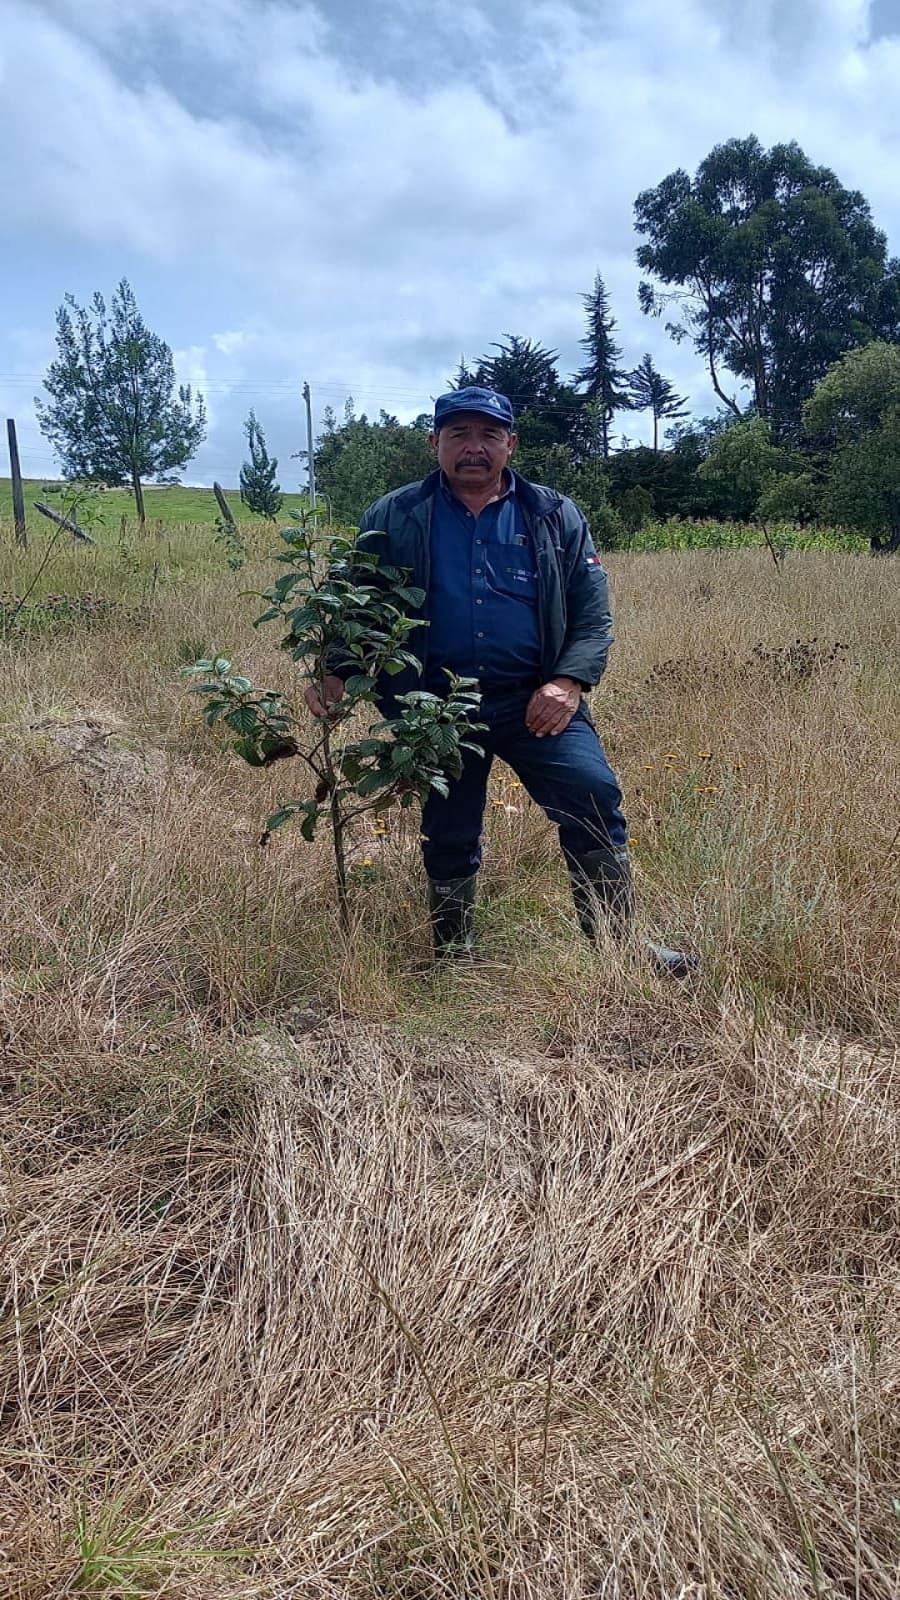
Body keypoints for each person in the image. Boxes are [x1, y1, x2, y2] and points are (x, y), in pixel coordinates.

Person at [305, 385, 695, 976]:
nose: (473, 447)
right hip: (434, 709)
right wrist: (332, 671)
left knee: (592, 794)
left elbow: (593, 612)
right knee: (449, 826)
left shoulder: (553, 514)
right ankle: (453, 955)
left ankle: (616, 950)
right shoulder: (394, 515)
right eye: (458, 433)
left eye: (489, 434)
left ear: (510, 444)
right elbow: (355, 607)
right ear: (434, 442)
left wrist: (568, 681)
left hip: (535, 703)